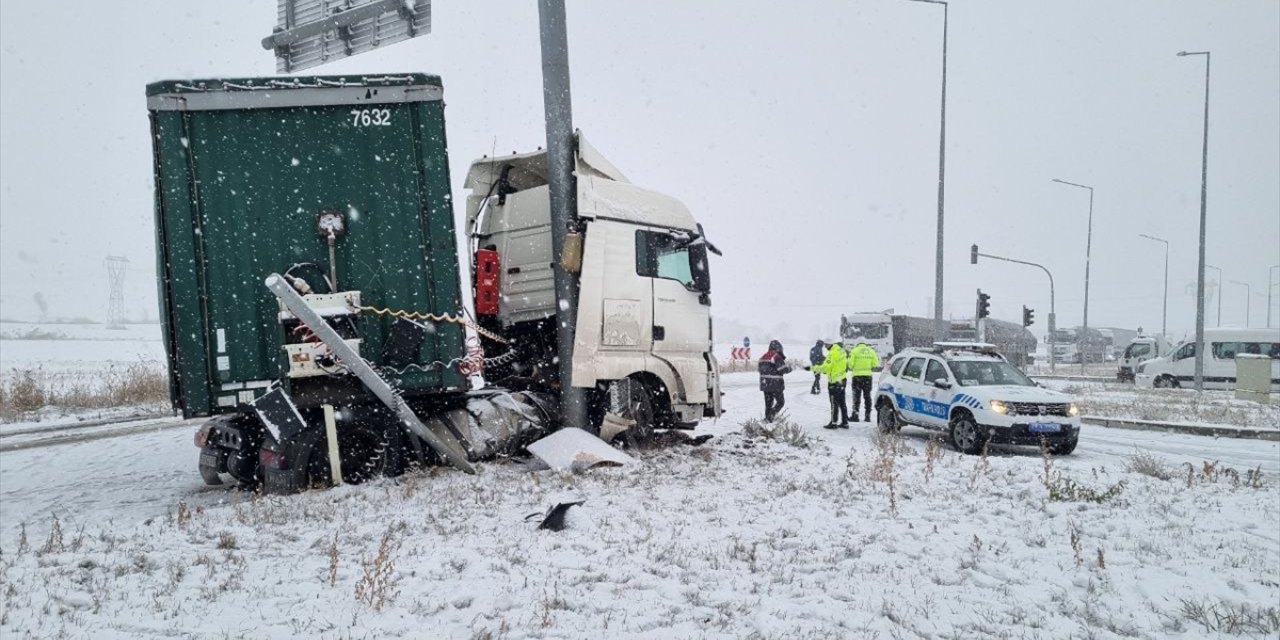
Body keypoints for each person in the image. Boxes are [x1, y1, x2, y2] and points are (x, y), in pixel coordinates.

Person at [808, 339, 850, 429]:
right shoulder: (842, 351)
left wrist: (812, 368)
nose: (825, 347)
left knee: (833, 402)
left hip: (834, 381)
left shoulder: (832, 353)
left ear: (829, 344)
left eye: (826, 345)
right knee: (842, 402)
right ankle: (845, 422)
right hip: (842, 379)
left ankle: (834, 422)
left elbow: (826, 367)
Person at [757, 340, 792, 422]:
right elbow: (782, 370)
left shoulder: (762, 357)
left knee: (768, 404)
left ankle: (767, 421)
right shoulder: (776, 356)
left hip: (764, 384)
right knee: (780, 402)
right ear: (778, 348)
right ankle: (770, 416)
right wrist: (789, 368)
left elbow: (760, 369)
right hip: (775, 385)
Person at [848, 338, 880, 422]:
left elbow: (850, 365)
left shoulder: (854, 351)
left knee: (856, 396)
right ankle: (867, 416)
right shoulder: (871, 351)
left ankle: (855, 415)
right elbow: (876, 363)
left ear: (857, 343)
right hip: (868, 376)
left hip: (857, 376)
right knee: (867, 396)